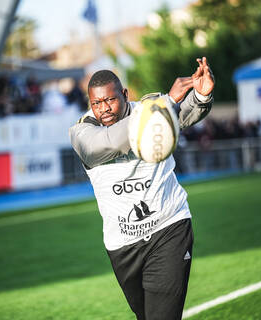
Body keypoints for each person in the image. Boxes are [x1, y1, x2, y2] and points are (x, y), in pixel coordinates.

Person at [69, 57, 214, 320]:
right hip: (122, 245)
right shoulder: (82, 133)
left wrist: (202, 97)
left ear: (124, 94)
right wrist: (165, 103)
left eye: (110, 100)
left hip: (169, 228)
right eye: (96, 103)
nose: (104, 109)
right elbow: (103, 145)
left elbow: (182, 116)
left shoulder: (149, 107)